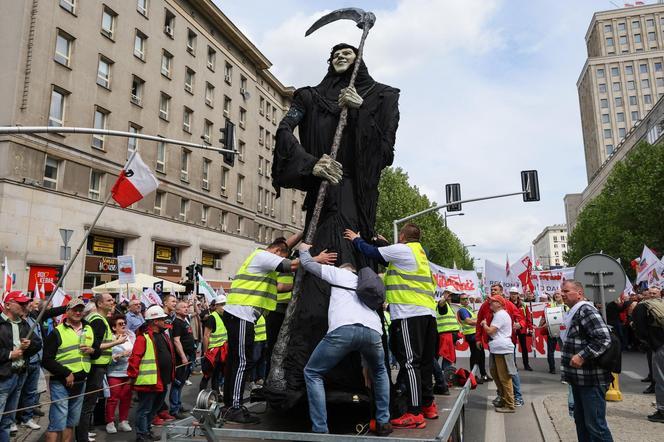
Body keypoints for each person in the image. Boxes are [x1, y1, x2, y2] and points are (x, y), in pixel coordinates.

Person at [270, 43, 400, 408]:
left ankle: (364, 386)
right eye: (336, 53)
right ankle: (301, 374)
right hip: (322, 203)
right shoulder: (308, 97)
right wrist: (310, 163)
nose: (341, 56)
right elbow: (284, 129)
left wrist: (362, 115)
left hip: (354, 206)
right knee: (312, 294)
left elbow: (385, 152)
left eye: (348, 53)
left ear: (359, 60)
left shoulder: (381, 96)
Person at [224, 239, 334, 423]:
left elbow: (285, 250)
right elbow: (291, 265)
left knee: (237, 361)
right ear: (275, 251)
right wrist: (317, 258)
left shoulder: (261, 258)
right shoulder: (263, 256)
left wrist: (300, 235)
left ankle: (231, 404)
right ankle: (233, 406)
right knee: (242, 362)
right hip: (242, 313)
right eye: (281, 255)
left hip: (240, 314)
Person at [346, 223, 438, 429]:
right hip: (427, 314)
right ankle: (428, 405)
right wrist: (383, 242)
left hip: (408, 313)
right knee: (423, 362)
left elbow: (371, 252)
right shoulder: (419, 253)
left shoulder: (403, 249)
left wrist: (355, 239)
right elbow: (389, 259)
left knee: (410, 363)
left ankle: (414, 413)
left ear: (403, 236)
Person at [298, 243, 392, 436]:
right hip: (373, 332)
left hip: (343, 329)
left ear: (343, 268)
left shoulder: (338, 273)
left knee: (312, 372)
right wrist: (365, 362)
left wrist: (303, 249)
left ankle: (320, 429)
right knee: (380, 372)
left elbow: (307, 264)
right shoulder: (364, 283)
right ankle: (383, 422)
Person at [559, 280, 614, 441]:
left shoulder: (586, 310)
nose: (562, 294)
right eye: (562, 291)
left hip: (591, 379)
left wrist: (582, 355)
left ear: (579, 293)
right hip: (579, 378)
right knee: (582, 422)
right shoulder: (573, 312)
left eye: (566, 291)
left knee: (596, 426)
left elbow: (603, 338)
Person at [41, 298, 93, 442]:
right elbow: (46, 360)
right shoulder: (57, 332)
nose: (77, 312)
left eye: (80, 310)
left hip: (81, 381)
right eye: (74, 309)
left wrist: (93, 350)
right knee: (57, 424)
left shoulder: (88, 328)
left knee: (71, 422)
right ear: (67, 311)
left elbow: (96, 352)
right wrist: (66, 373)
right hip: (61, 382)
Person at [77, 293, 126, 442]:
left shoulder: (99, 319)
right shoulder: (98, 320)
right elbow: (95, 346)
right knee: (89, 403)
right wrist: (116, 343)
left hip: (98, 365)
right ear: (99, 304)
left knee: (89, 402)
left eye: (113, 299)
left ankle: (83, 433)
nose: (113, 302)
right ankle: (82, 437)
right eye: (109, 300)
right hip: (96, 366)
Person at [128, 305, 175, 442]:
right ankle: (141, 435)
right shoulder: (143, 338)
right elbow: (135, 358)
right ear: (155, 321)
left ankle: (147, 431)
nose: (164, 321)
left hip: (162, 380)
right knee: (145, 409)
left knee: (154, 409)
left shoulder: (163, 335)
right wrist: (132, 376)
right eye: (162, 319)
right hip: (149, 382)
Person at [0, 291, 41, 442]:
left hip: (18, 376)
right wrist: (10, 354)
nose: (25, 306)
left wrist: (30, 345)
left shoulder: (23, 324)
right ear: (8, 304)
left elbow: (38, 344)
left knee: (7, 421)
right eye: (21, 303)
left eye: (25, 303)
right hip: (3, 377)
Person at [476, 284, 525, 406]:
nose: (493, 292)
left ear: (501, 293)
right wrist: (478, 338)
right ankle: (502, 395)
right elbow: (479, 321)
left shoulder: (507, 305)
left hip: (506, 343)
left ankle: (517, 397)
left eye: (495, 290)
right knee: (496, 372)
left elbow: (521, 319)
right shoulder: (485, 306)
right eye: (491, 290)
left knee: (510, 371)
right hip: (494, 344)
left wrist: (520, 324)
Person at [631, 292, 664, 423]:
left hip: (660, 346)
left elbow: (640, 331)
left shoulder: (641, 307)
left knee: (661, 379)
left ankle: (662, 411)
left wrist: (648, 343)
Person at [480, 295, 516, 413]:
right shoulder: (499, 314)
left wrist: (484, 324)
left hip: (503, 349)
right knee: (497, 375)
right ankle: (504, 399)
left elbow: (490, 330)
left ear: (499, 303)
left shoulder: (500, 314)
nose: (490, 302)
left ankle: (510, 404)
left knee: (504, 377)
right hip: (498, 348)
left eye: (493, 301)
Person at [105, 315, 132, 434]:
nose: (124, 325)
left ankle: (123, 421)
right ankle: (110, 422)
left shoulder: (130, 337)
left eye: (124, 323)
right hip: (114, 373)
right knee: (113, 399)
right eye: (120, 324)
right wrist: (120, 355)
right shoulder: (110, 339)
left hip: (129, 373)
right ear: (113, 327)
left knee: (126, 398)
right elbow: (106, 358)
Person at [170, 300, 196, 418]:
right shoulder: (176, 323)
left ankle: (178, 405)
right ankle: (174, 409)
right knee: (177, 383)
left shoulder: (185, 320)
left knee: (181, 383)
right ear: (177, 310)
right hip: (183, 357)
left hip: (189, 355)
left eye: (187, 307)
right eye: (183, 307)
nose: (186, 309)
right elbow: (176, 340)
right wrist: (183, 356)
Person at [199, 296, 227, 393]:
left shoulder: (225, 317)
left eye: (225, 304)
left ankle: (216, 394)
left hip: (221, 351)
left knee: (217, 374)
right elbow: (206, 336)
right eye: (222, 304)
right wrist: (205, 352)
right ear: (216, 306)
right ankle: (201, 394)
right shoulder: (212, 318)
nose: (224, 307)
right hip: (212, 352)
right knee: (207, 375)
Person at [433, 287, 458, 395]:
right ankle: (444, 382)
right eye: (449, 294)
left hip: (447, 335)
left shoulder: (449, 306)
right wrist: (444, 297)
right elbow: (441, 304)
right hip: (445, 335)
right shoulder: (442, 304)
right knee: (446, 359)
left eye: (451, 294)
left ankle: (443, 381)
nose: (451, 296)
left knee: (440, 358)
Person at [457, 292, 485, 382]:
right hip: (471, 335)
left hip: (475, 334)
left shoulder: (468, 309)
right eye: (463, 299)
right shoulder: (462, 310)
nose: (465, 300)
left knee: (481, 355)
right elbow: (469, 321)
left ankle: (483, 374)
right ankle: (473, 377)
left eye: (466, 298)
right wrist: (481, 322)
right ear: (460, 301)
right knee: (475, 356)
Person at [508, 287, 533, 371]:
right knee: (512, 347)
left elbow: (528, 317)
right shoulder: (507, 304)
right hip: (512, 329)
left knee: (524, 347)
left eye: (515, 294)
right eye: (512, 293)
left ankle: (526, 364)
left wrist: (530, 328)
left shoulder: (523, 304)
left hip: (522, 328)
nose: (513, 295)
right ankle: (513, 365)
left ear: (518, 295)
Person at [545, 291, 567, 374]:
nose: (557, 295)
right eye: (555, 294)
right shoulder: (550, 305)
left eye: (558, 294)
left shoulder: (567, 305)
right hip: (552, 330)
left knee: (564, 351)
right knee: (550, 351)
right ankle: (552, 368)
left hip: (563, 331)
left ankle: (565, 369)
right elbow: (546, 315)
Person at [250, 314, 268, 389]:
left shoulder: (261, 311)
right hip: (256, 340)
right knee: (254, 360)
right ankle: (252, 380)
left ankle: (260, 378)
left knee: (262, 360)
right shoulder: (253, 312)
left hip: (263, 339)